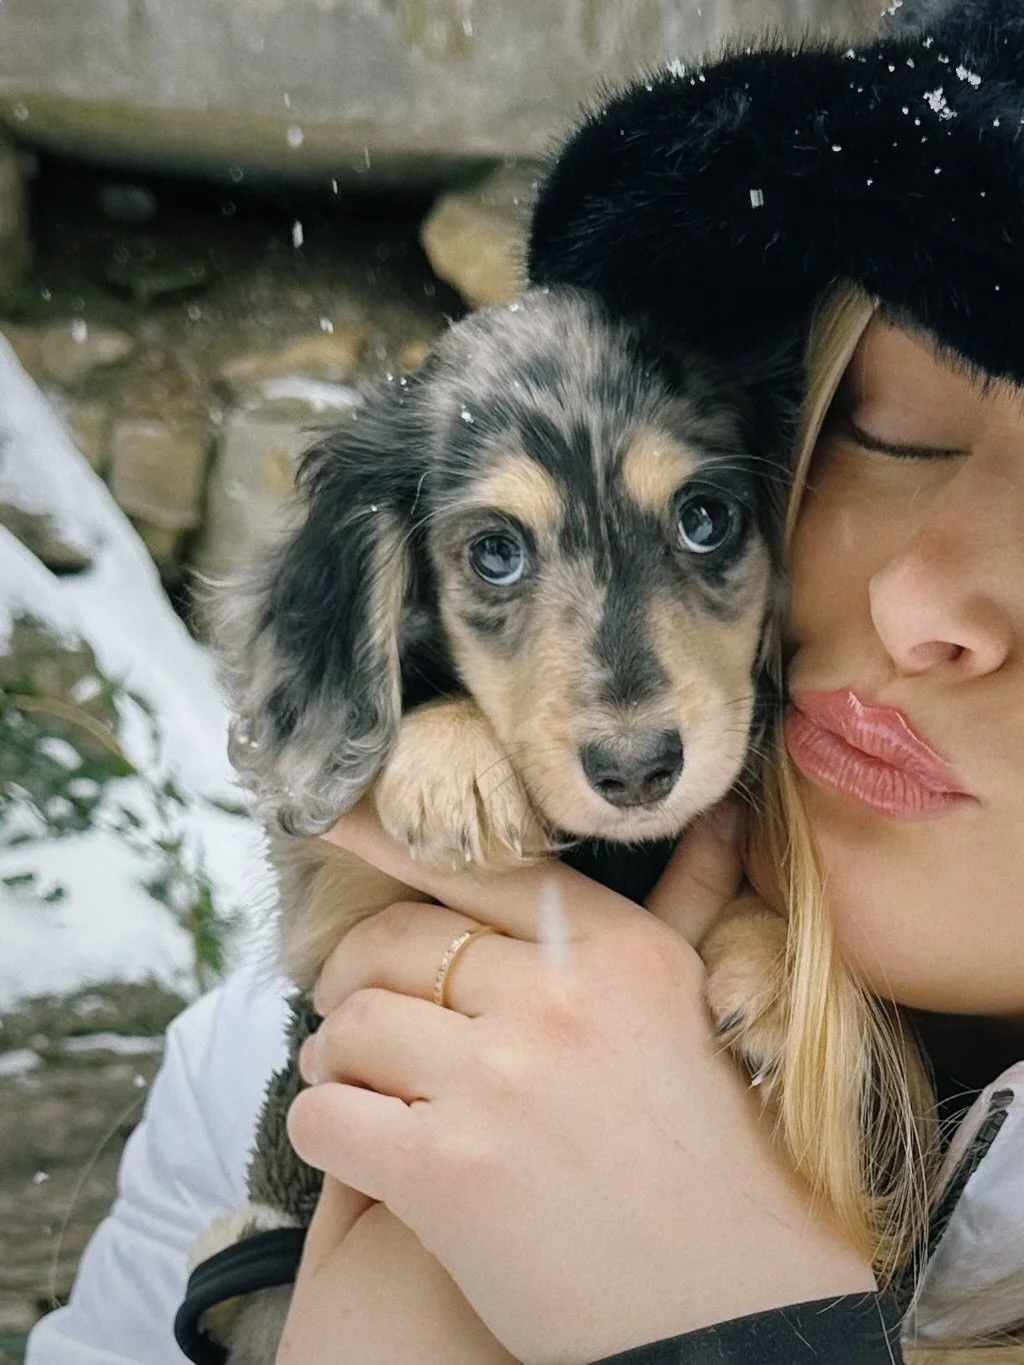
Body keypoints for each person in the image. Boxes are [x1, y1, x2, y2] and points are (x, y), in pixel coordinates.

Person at [25, 0, 1024, 1360]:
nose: (918, 599)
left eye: (703, 523)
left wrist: (742, 1337)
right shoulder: (311, 1029)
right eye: (892, 426)